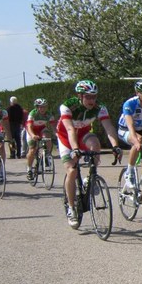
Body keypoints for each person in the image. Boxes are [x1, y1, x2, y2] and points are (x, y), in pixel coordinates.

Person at [57, 80, 122, 228]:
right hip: (66, 138)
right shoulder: (67, 106)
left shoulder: (100, 107)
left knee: (95, 143)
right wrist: (75, 149)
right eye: (88, 97)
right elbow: (70, 130)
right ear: (80, 96)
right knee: (72, 171)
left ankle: (90, 177)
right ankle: (71, 209)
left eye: (94, 96)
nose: (92, 100)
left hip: (83, 135)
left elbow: (108, 127)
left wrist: (116, 146)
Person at [24, 98, 56, 181]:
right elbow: (29, 126)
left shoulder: (49, 114)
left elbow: (53, 127)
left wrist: (56, 134)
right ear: (37, 107)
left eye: (44, 107)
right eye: (41, 107)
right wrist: (33, 135)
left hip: (41, 129)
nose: (43, 109)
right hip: (31, 130)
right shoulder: (33, 113)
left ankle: (47, 155)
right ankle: (29, 169)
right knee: (32, 150)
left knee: (48, 137)